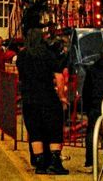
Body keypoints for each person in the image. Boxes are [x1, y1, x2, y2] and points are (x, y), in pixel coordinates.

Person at [17, 28, 68, 175]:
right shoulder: (48, 55)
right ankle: (55, 163)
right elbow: (59, 77)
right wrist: (62, 96)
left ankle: (39, 164)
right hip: (47, 97)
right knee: (54, 129)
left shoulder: (22, 55)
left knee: (35, 131)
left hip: (28, 98)